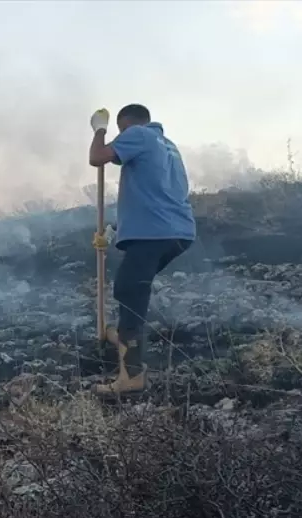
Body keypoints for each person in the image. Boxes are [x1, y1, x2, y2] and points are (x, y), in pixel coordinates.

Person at [87, 104, 197, 394]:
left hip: (155, 233)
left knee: (128, 291)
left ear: (127, 125)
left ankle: (131, 376)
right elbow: (152, 193)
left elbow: (97, 157)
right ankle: (120, 340)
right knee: (134, 289)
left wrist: (100, 129)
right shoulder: (168, 145)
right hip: (178, 232)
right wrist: (113, 230)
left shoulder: (137, 134)